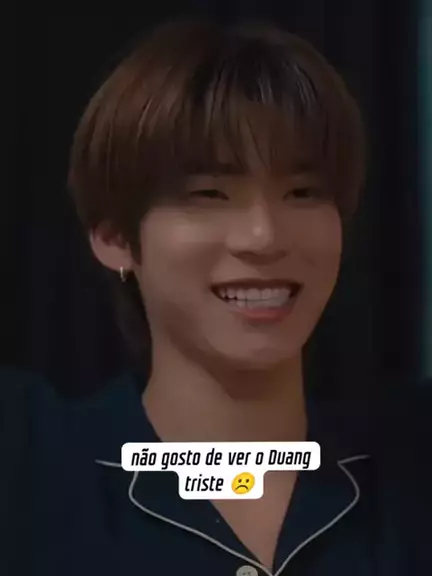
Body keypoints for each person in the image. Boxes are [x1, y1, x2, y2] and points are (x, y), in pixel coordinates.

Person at [1, 17, 422, 576]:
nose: (264, 237)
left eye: (302, 192)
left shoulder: (409, 471)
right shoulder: (31, 464)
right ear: (114, 236)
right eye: (209, 195)